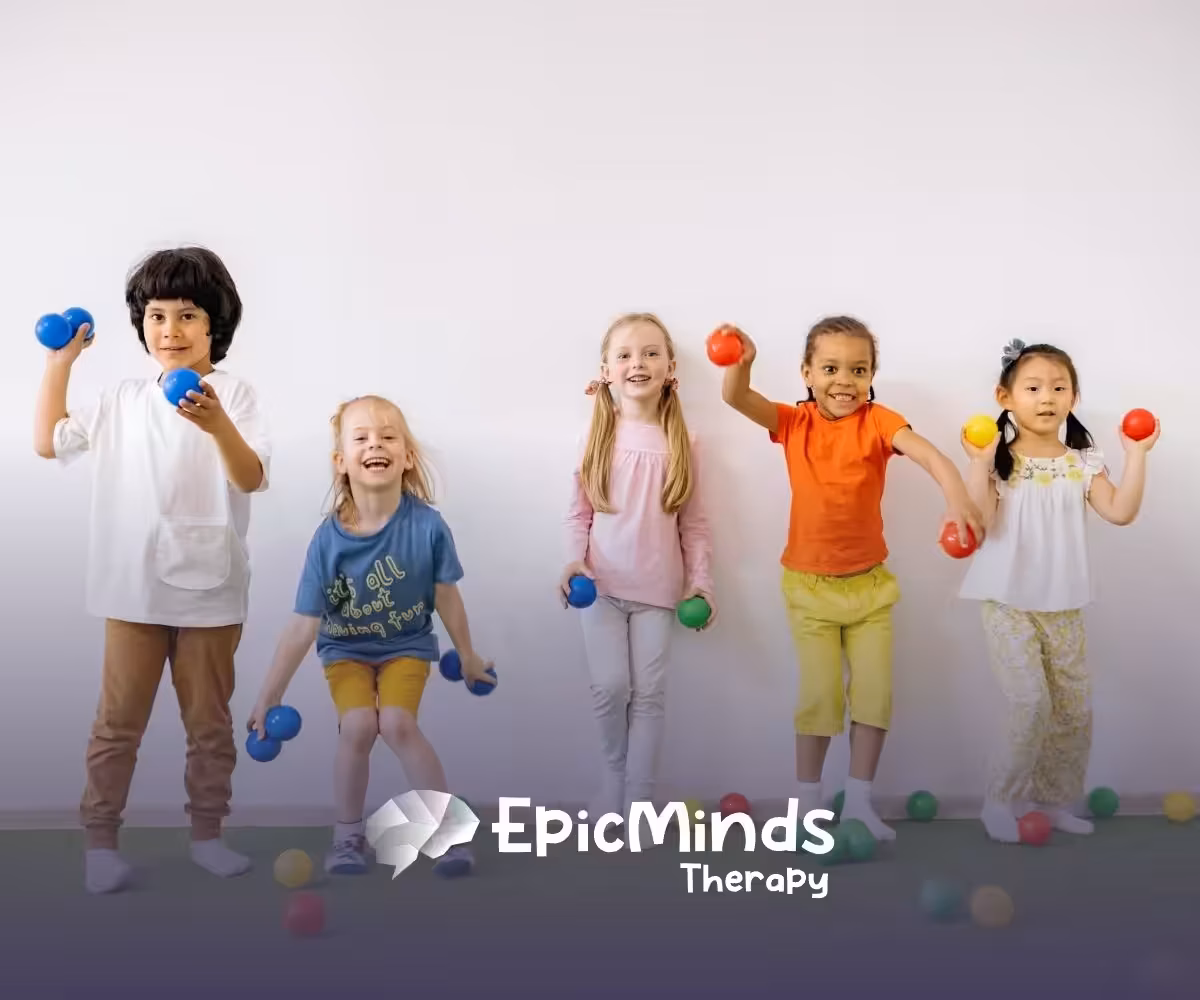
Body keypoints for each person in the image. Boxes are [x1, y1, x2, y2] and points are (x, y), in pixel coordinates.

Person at [33, 246, 271, 893]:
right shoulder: (120, 399)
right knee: (117, 724)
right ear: (141, 323)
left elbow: (251, 475)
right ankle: (101, 845)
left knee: (209, 725)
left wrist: (217, 422)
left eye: (188, 315)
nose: (170, 330)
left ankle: (207, 837)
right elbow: (48, 439)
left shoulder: (236, 396)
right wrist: (61, 362)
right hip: (133, 589)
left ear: (214, 325)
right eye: (158, 315)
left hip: (213, 590)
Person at [719, 316, 983, 841]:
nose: (845, 380)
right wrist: (741, 364)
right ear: (808, 373)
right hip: (809, 587)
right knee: (819, 697)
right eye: (832, 368)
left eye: (859, 370)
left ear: (872, 376)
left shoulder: (880, 422)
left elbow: (930, 454)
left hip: (869, 587)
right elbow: (736, 398)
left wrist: (957, 501)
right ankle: (809, 806)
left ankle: (859, 801)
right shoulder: (793, 423)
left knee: (874, 695)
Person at [249, 394, 492, 876]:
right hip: (346, 651)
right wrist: (267, 696)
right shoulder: (328, 539)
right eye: (361, 437)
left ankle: (447, 835)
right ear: (341, 462)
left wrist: (469, 656)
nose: (375, 444)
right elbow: (303, 625)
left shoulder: (428, 527)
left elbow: (447, 597)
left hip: (406, 647)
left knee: (397, 725)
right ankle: (347, 838)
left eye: (387, 436)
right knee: (359, 726)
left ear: (406, 457)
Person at [959, 339, 1157, 842]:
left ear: (1074, 396)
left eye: (1059, 387)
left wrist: (1136, 454)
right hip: (1008, 602)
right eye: (1033, 387)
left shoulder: (1083, 462)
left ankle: (1050, 802)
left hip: (1064, 604)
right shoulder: (1001, 460)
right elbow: (979, 521)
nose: (1047, 397)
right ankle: (999, 800)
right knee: (1029, 702)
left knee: (1073, 707)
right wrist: (979, 462)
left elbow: (1121, 511)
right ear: (1005, 397)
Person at [562, 312, 714, 824]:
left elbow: (694, 526)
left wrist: (702, 584)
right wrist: (572, 562)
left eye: (650, 353)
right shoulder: (596, 436)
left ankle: (640, 800)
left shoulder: (684, 445)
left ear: (671, 368)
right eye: (624, 355)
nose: (637, 363)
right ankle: (612, 783)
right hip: (599, 587)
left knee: (649, 695)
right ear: (605, 370)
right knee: (609, 687)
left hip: (659, 591)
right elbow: (578, 514)